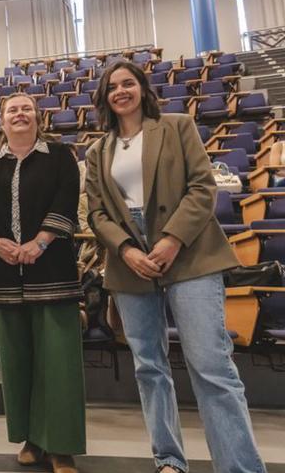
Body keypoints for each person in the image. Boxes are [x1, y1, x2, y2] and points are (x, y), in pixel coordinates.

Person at [85, 60, 267, 473]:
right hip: (129, 259)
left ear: (142, 88)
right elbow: (97, 214)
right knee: (149, 366)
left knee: (211, 365)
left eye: (127, 83)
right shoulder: (98, 151)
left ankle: (239, 466)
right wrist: (128, 249)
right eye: (112, 86)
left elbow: (203, 187)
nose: (120, 91)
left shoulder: (177, 125)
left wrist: (171, 239)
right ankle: (168, 459)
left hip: (189, 251)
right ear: (104, 97)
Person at [0, 93, 85, 473]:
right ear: (1, 122)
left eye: (26, 109)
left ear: (38, 117)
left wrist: (39, 243)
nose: (19, 114)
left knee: (58, 363)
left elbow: (66, 203)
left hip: (53, 271)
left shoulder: (59, 156)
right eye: (11, 110)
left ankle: (61, 445)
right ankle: (32, 438)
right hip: (4, 276)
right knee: (17, 362)